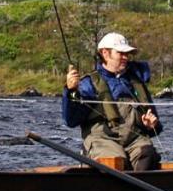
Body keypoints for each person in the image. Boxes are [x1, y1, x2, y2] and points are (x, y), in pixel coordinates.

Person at [61, 32, 160, 171]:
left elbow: (157, 128)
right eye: (121, 53)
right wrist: (70, 91)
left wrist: (151, 126)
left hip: (134, 140)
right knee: (115, 160)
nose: (126, 58)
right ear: (105, 53)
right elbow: (71, 120)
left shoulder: (136, 82)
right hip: (102, 140)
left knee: (148, 153)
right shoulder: (89, 84)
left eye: (127, 54)